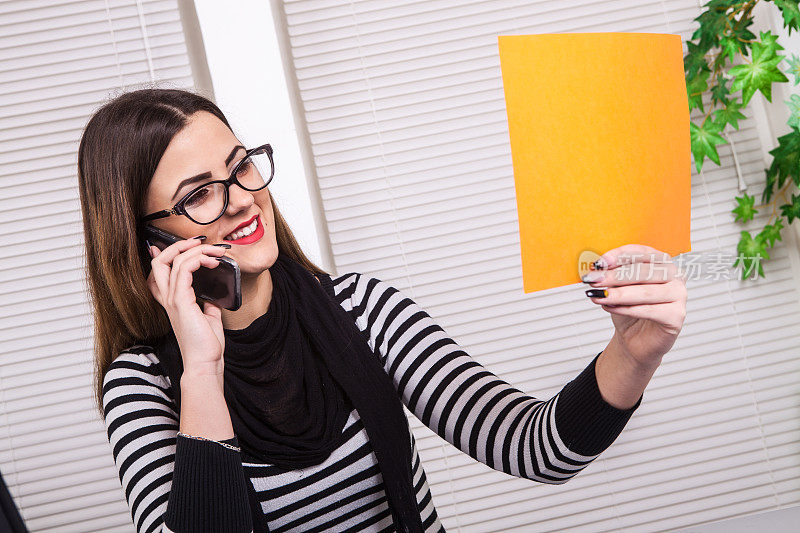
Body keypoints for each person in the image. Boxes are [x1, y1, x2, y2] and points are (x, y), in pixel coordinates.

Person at [81, 88, 687, 533]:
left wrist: (633, 352)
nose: (242, 200)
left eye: (240, 166)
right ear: (149, 241)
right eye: (200, 195)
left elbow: (534, 447)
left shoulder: (362, 310)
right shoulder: (144, 384)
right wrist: (203, 369)